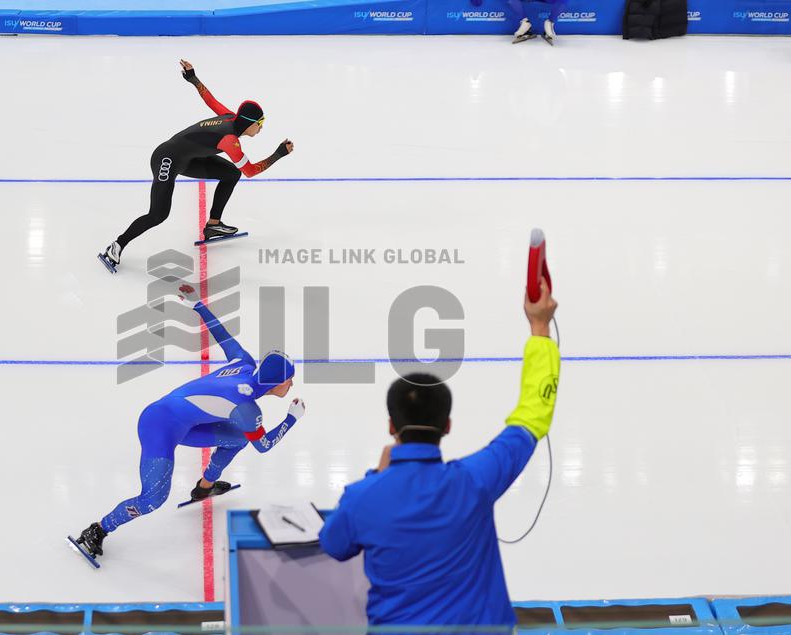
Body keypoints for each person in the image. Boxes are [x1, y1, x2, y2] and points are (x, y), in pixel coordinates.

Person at [318, 280, 560, 632]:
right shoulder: (475, 480)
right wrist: (539, 328)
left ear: (391, 425)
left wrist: (375, 477)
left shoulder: (361, 498)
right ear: (447, 424)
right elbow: (532, 416)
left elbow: (333, 544)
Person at [70, 283, 306, 562]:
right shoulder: (247, 409)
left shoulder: (244, 363)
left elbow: (221, 333)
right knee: (152, 499)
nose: (292, 384)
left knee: (239, 437)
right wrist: (291, 419)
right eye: (289, 379)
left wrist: (197, 303)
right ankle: (97, 530)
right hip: (158, 427)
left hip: (188, 425)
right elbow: (264, 446)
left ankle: (204, 487)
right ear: (276, 383)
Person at [98, 59, 295, 272]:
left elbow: (209, 99)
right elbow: (250, 171)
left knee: (230, 173)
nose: (261, 129)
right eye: (261, 124)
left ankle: (213, 225)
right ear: (249, 123)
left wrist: (193, 78)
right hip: (166, 158)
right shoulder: (230, 140)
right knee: (158, 214)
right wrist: (278, 154)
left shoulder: (230, 117)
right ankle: (116, 245)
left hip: (189, 159)